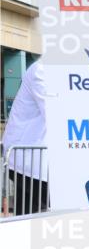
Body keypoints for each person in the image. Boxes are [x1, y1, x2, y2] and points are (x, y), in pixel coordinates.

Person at [2, 61, 49, 214]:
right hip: (29, 159)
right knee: (35, 212)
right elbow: (55, 113)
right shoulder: (42, 70)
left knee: (36, 209)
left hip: (38, 159)